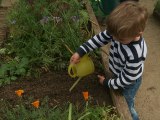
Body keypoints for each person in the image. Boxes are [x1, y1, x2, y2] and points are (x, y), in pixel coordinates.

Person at [70, 1, 148, 120]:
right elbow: (100, 38)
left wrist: (107, 83)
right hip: (119, 72)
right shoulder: (118, 32)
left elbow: (126, 79)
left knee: (127, 105)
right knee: (118, 85)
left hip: (130, 82)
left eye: (119, 39)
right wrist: (81, 51)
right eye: (113, 35)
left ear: (138, 33)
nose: (114, 39)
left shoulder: (136, 55)